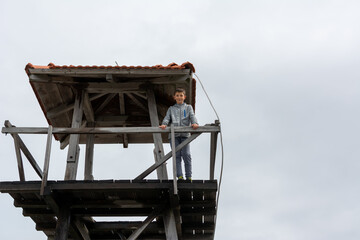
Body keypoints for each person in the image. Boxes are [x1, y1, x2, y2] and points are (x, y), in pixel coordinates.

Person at [160, 88, 199, 180]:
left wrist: (195, 123)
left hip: (185, 135)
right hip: (174, 136)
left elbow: (192, 116)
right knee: (176, 155)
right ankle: (179, 176)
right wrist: (164, 124)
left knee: (186, 154)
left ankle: (189, 176)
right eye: (177, 95)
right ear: (174, 97)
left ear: (184, 97)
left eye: (181, 95)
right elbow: (167, 118)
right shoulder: (171, 109)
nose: (179, 97)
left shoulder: (188, 107)